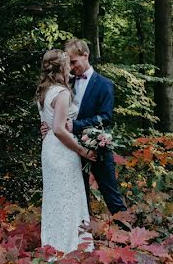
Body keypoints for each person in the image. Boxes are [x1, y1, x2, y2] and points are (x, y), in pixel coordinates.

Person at [35, 49, 95, 253]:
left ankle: (54, 244)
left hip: (49, 148)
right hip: (62, 150)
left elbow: (49, 123)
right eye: (68, 65)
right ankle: (71, 247)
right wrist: (82, 150)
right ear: (61, 68)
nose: (70, 68)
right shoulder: (61, 93)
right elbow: (60, 129)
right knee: (68, 196)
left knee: (56, 197)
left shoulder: (43, 91)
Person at [63, 38, 128, 216]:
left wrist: (76, 125)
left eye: (74, 62)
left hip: (97, 145)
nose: (71, 67)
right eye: (68, 63)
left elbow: (106, 117)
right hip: (70, 146)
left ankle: (127, 234)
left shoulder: (104, 84)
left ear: (86, 55)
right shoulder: (66, 83)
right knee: (78, 194)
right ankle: (84, 234)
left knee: (110, 192)